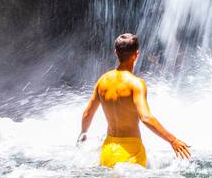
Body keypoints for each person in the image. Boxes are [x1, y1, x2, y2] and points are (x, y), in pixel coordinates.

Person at [79, 32, 191, 167]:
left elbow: (87, 114)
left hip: (107, 150)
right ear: (136, 55)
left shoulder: (103, 80)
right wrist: (172, 140)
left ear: (116, 52)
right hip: (131, 152)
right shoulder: (136, 83)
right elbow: (146, 118)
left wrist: (83, 133)